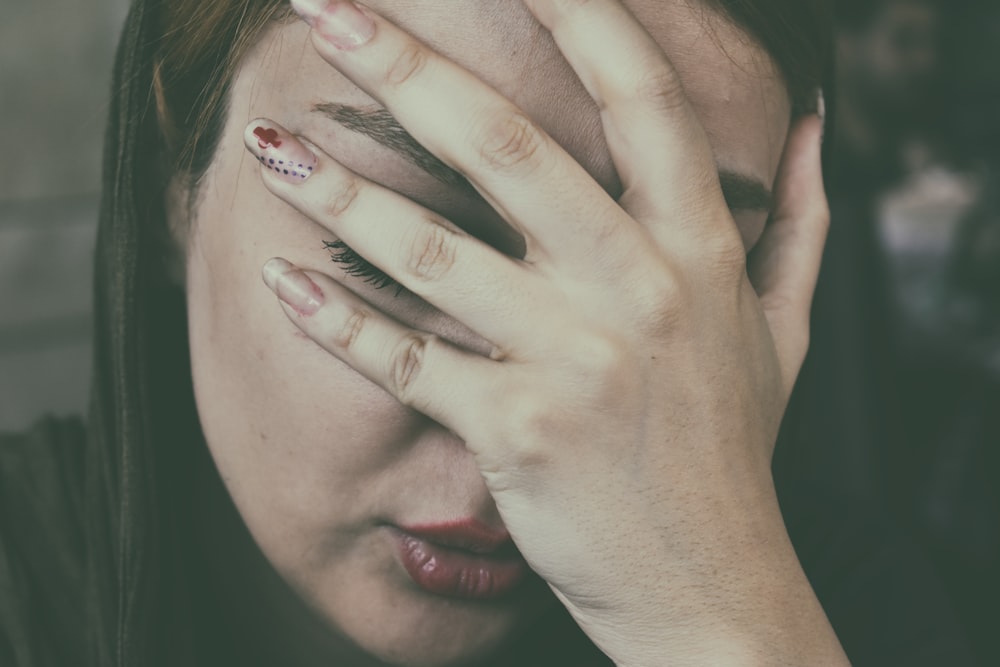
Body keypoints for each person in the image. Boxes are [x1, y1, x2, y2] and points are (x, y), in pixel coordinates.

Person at [0, 0, 977, 665]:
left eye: (670, 298)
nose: (525, 434)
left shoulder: (853, 613)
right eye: (391, 251)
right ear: (172, 180)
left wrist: (725, 630)